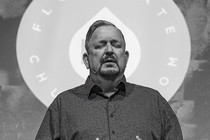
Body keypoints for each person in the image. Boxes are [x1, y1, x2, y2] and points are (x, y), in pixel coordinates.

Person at [35, 20, 183, 140]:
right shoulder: (64, 105)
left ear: (125, 58)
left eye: (116, 45)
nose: (109, 51)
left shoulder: (153, 102)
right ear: (86, 60)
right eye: (100, 46)